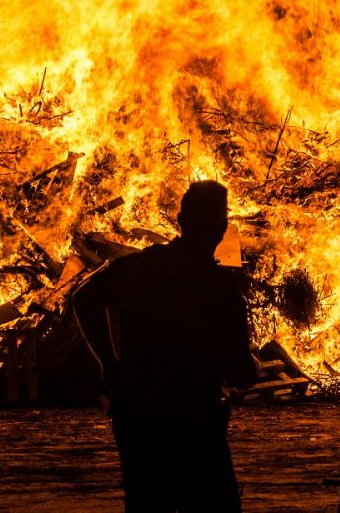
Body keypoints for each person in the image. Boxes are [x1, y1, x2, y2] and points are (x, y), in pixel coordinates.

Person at [72, 179, 259, 511]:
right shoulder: (219, 289)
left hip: (143, 418)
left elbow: (84, 298)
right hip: (197, 426)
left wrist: (110, 364)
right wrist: (252, 365)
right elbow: (240, 371)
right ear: (221, 226)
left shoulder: (142, 267)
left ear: (181, 220)